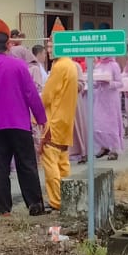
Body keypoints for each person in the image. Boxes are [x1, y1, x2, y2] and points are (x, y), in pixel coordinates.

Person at [0, 25, 48, 217]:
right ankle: (35, 205)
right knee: (26, 164)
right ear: (8, 45)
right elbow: (31, 95)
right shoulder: (19, 66)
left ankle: (4, 210)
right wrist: (41, 118)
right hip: (19, 123)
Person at [41, 51, 79, 210]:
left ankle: (56, 201)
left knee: (50, 159)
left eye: (52, 46)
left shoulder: (59, 66)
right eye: (48, 46)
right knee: (63, 161)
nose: (49, 50)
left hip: (54, 119)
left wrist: (36, 111)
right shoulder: (71, 65)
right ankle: (67, 197)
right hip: (66, 119)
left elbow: (47, 96)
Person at [90, 55, 124, 160]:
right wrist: (95, 82)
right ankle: (104, 146)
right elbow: (94, 82)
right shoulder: (98, 65)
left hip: (111, 98)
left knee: (111, 123)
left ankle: (114, 149)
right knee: (98, 122)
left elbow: (120, 83)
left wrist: (109, 82)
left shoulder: (114, 65)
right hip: (100, 97)